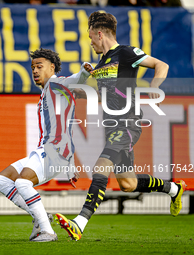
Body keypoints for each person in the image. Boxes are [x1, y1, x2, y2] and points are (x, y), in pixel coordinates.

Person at [55, 11, 186, 241]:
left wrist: (153, 90)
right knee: (128, 183)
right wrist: (83, 93)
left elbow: (161, 65)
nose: (91, 43)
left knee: (100, 167)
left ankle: (80, 222)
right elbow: (107, 93)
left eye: (91, 38)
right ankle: (174, 189)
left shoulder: (126, 52)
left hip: (127, 123)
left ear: (99, 33)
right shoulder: (102, 62)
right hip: (112, 125)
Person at [0, 48, 92, 242]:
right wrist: (70, 164)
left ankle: (47, 231)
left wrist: (85, 71)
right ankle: (40, 217)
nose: (35, 71)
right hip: (48, 150)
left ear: (52, 67)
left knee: (22, 182)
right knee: (2, 180)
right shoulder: (47, 91)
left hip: (53, 151)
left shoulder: (56, 84)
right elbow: (67, 130)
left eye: (39, 66)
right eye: (32, 68)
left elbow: (74, 80)